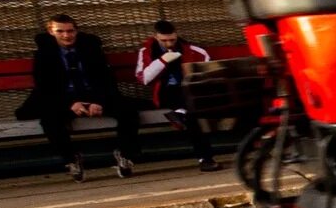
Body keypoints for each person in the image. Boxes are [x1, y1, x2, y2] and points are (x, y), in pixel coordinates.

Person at [16, 13, 140, 180]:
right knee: (50, 119)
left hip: (93, 94)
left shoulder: (91, 48)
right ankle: (71, 158)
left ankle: (125, 155)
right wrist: (70, 103)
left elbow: (106, 79)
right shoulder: (44, 54)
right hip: (63, 98)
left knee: (129, 111)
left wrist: (98, 101)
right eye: (60, 31)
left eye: (70, 31)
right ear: (51, 32)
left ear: (76, 31)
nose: (66, 35)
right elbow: (45, 85)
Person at [135, 19, 220, 170]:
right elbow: (144, 78)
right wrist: (162, 60)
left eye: (172, 40)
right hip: (165, 93)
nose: (169, 44)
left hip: (191, 91)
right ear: (155, 37)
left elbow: (208, 73)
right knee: (190, 111)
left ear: (177, 35)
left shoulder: (193, 50)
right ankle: (205, 158)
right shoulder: (146, 51)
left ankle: (180, 114)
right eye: (164, 40)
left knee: (191, 112)